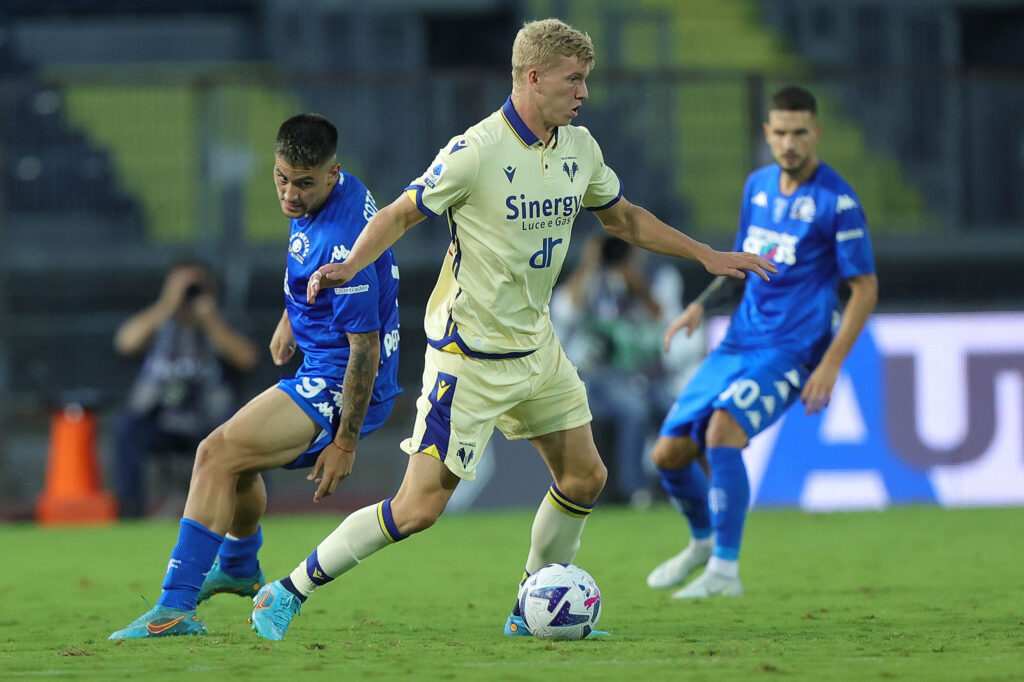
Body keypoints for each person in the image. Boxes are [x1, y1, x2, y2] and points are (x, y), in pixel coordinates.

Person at [246, 18, 774, 641]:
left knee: (585, 476)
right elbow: (399, 214)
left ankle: (530, 609)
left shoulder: (580, 148)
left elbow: (625, 219)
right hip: (467, 356)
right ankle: (288, 589)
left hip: (537, 349)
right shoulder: (475, 151)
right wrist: (351, 264)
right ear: (534, 77)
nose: (583, 92)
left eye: (585, 79)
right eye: (573, 80)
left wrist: (706, 255)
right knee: (417, 509)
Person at [109, 113, 402, 638]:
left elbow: (365, 348)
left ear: (331, 174)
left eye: (303, 183)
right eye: (281, 177)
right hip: (322, 362)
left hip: (340, 380)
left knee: (214, 454)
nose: (289, 194)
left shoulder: (341, 240)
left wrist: (346, 441)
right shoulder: (333, 193)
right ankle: (240, 567)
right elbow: (318, 274)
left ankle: (175, 608)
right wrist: (293, 317)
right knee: (237, 462)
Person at [645, 85, 879, 599]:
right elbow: (744, 263)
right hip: (739, 342)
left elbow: (864, 289)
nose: (790, 143)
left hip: (791, 350)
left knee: (722, 431)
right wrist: (700, 305)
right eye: (781, 133)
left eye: (800, 133)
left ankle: (725, 571)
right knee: (668, 454)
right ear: (767, 134)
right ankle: (703, 542)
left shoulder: (837, 202)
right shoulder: (757, 187)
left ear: (816, 133)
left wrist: (830, 364)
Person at [550, 235, 704, 506]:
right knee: (633, 409)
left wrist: (637, 284)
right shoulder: (592, 280)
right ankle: (634, 490)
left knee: (672, 410)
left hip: (648, 374)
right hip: (602, 375)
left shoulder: (659, 278)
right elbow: (565, 311)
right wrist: (588, 265)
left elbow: (665, 317)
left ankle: (682, 485)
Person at [112, 259, 259, 518]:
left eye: (195, 287)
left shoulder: (223, 322)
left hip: (210, 421)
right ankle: (130, 510)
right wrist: (167, 304)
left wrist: (209, 319)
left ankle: (245, 511)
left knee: (244, 429)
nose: (188, 294)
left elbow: (247, 359)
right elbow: (125, 343)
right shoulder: (158, 322)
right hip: (162, 419)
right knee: (127, 428)